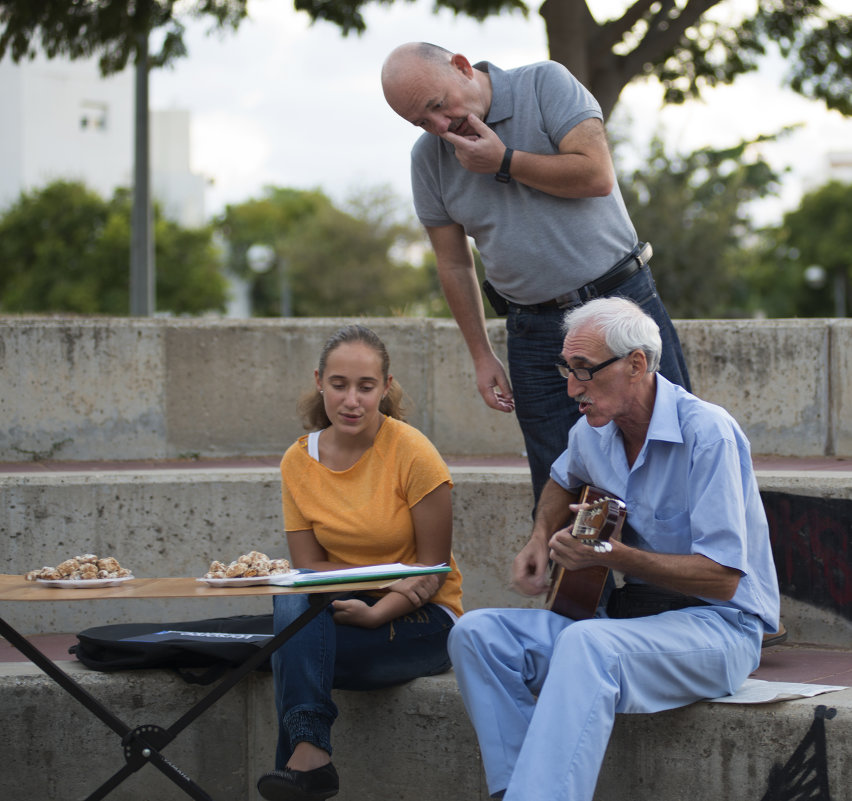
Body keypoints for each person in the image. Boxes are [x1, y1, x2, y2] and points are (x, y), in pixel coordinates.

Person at [446, 297, 780, 801]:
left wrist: (613, 557)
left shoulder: (707, 433)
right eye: (566, 369)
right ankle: (517, 789)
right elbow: (563, 478)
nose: (570, 387)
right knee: (476, 633)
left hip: (719, 628)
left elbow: (723, 578)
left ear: (637, 364)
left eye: (584, 371)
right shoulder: (592, 431)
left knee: (588, 643)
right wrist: (539, 538)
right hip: (632, 624)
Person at [381, 42, 691, 505]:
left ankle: (669, 578)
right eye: (422, 122)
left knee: (672, 454)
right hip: (533, 329)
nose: (440, 127)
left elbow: (596, 176)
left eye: (437, 107)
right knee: (560, 484)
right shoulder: (428, 159)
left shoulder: (544, 83)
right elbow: (453, 262)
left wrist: (504, 161)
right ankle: (574, 579)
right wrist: (482, 354)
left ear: (463, 68)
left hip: (618, 304)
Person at [256, 324, 463, 801]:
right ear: (319, 382)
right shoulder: (296, 461)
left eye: (366, 387)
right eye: (339, 384)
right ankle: (309, 763)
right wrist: (368, 587)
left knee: (286, 650)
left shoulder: (413, 452)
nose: (352, 400)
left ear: (385, 388)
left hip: (422, 619)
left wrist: (379, 610)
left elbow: (431, 572)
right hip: (338, 609)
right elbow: (309, 572)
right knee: (290, 602)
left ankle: (307, 757)